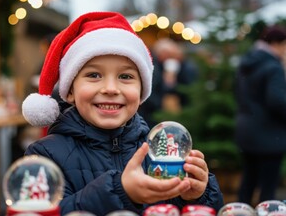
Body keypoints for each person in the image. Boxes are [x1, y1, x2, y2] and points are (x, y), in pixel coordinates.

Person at [22, 11, 224, 215]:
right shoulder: (44, 156)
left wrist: (197, 196)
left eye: (125, 76)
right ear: (70, 90)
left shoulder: (161, 151)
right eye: (94, 75)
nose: (111, 88)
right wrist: (120, 192)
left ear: (142, 90)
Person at [234, 25, 286, 205]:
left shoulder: (247, 61)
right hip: (270, 136)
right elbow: (277, 101)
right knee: (268, 188)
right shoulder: (273, 66)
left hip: (246, 131)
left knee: (248, 181)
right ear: (277, 43)